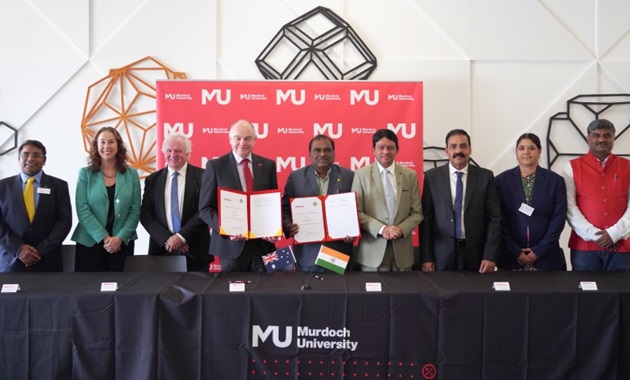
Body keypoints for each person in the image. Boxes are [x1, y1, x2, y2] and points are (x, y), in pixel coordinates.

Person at [198, 119, 279, 272]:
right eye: (238, 138)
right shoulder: (215, 166)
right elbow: (205, 208)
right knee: (234, 292)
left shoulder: (268, 166)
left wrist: (273, 228)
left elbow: (273, 204)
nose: (243, 142)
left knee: (266, 291)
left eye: (248, 138)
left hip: (263, 245)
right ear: (230, 139)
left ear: (255, 140)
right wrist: (226, 228)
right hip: (231, 246)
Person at [420, 129, 500, 273]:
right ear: (446, 151)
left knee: (476, 294)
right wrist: (427, 257)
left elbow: (494, 219)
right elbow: (426, 219)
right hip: (442, 254)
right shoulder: (432, 177)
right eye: (453, 146)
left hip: (477, 254)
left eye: (463, 146)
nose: (458, 150)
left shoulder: (485, 177)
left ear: (470, 149)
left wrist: (490, 255)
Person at [350, 129, 423, 271]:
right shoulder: (361, 175)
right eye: (381, 147)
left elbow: (417, 213)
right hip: (372, 254)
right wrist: (382, 229)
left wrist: (400, 230)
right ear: (373, 150)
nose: (386, 152)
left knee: (404, 293)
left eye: (390, 147)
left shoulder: (410, 175)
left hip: (402, 254)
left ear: (397, 150)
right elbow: (356, 212)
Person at [563, 119, 630, 271]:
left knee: (623, 293)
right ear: (588, 138)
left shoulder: (627, 166)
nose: (601, 139)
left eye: (607, 135)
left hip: (622, 246)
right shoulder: (572, 167)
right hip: (585, 248)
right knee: (587, 293)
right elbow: (569, 207)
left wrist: (614, 233)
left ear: (613, 138)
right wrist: (595, 235)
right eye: (596, 135)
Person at [282, 135, 355, 272]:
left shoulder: (349, 177)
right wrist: (288, 226)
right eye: (317, 150)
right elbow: (284, 209)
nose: (322, 154)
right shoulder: (296, 178)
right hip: (307, 255)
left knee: (339, 292)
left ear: (334, 153)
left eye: (327, 150)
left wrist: (354, 231)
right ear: (309, 154)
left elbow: (358, 210)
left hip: (338, 253)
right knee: (308, 293)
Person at [72, 127, 141, 271]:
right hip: (90, 242)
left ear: (118, 145)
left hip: (122, 242)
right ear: (96, 146)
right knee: (89, 289)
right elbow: (82, 209)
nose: (106, 146)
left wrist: (119, 238)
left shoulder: (132, 174)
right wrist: (105, 238)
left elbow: (135, 211)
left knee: (122, 289)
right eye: (102, 142)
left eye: (111, 142)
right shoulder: (85, 174)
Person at [495, 133, 567, 271]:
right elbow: (499, 219)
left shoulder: (555, 181)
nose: (526, 152)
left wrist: (539, 250)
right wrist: (515, 251)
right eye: (521, 148)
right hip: (511, 256)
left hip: (546, 256)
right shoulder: (501, 181)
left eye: (531, 148)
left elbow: (559, 217)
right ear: (516, 152)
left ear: (539, 151)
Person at [141, 133, 211, 272]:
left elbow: (205, 210)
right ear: (163, 153)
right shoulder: (152, 180)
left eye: (178, 150)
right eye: (169, 150)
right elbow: (146, 215)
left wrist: (182, 237)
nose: (173, 154)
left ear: (187, 154)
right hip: (162, 251)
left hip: (194, 251)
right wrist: (168, 239)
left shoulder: (204, 177)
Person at [0, 140, 72, 272]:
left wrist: (41, 251)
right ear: (19, 159)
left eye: (36, 155)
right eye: (25, 154)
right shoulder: (2, 186)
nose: (30, 158)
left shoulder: (59, 186)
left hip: (48, 261)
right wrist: (19, 249)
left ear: (44, 160)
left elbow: (64, 222)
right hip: (11, 261)